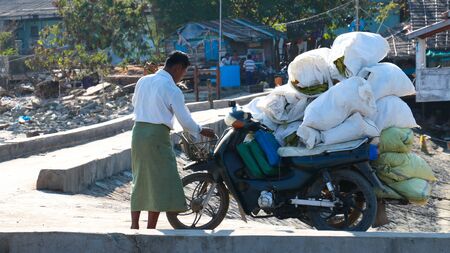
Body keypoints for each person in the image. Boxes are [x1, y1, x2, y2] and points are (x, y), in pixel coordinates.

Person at [130, 51, 215, 229]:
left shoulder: (143, 81)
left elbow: (135, 103)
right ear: (177, 68)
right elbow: (185, 120)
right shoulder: (171, 89)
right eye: (183, 72)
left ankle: (135, 225)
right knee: (160, 180)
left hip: (137, 133)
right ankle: (151, 228)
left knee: (140, 178)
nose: (182, 76)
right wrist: (200, 130)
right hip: (156, 136)